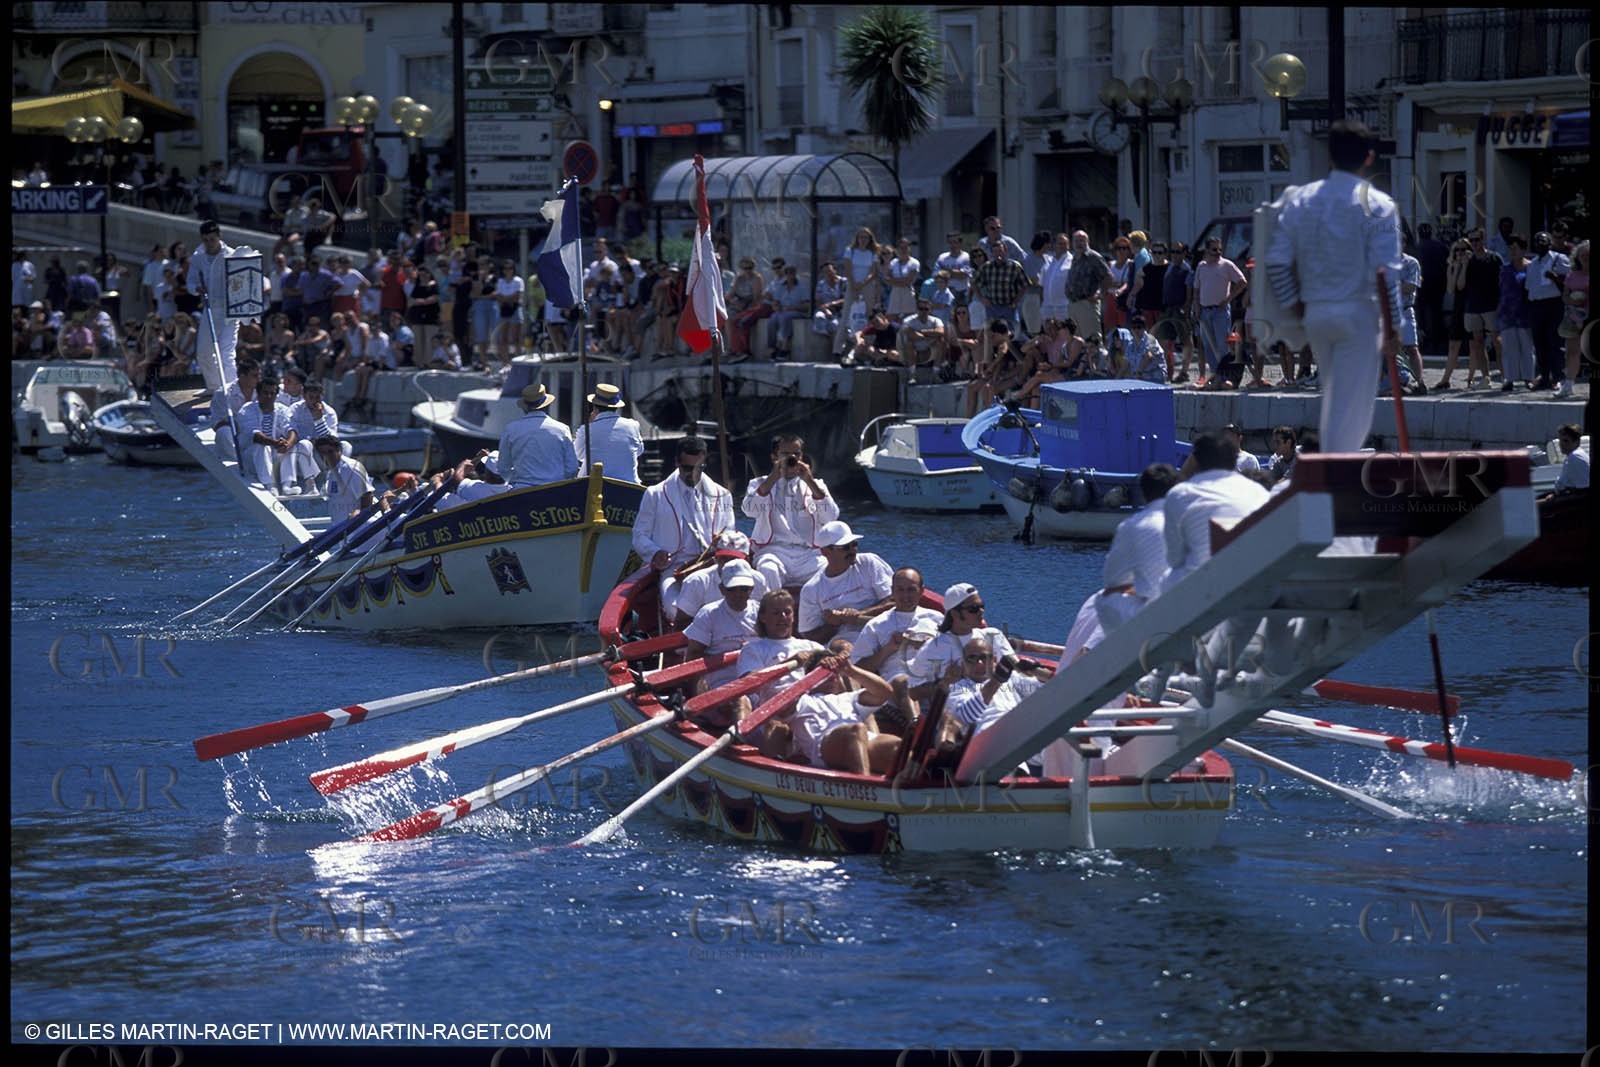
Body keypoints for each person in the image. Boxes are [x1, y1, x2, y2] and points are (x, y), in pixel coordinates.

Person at [1264, 120, 1403, 451]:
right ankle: (1336, 472)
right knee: (1353, 411)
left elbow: (1276, 262)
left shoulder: (1302, 200)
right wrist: (1395, 325)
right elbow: (1387, 273)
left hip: (1316, 313)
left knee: (1334, 399)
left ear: (1329, 155)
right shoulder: (1379, 204)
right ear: (1369, 158)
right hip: (1359, 313)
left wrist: (1297, 305)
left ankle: (1330, 465)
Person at [633, 435, 735, 614]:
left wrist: (722, 542)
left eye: (699, 468)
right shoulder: (655, 494)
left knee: (726, 607)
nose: (693, 473)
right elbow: (639, 535)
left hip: (712, 567)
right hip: (674, 571)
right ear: (677, 463)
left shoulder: (722, 495)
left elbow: (731, 536)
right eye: (687, 468)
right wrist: (656, 553)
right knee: (675, 610)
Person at [1162, 430, 1269, 589]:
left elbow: (1174, 558)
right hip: (1254, 582)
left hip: (1203, 586)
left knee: (1165, 579)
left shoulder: (1180, 495)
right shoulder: (1259, 492)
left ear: (1196, 461)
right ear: (1235, 459)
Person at [769, 651, 901, 773]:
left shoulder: (848, 698)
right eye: (826, 672)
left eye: (834, 672)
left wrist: (850, 670)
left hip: (863, 739)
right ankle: (863, 784)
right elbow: (781, 711)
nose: (832, 676)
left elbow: (884, 693)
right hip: (824, 746)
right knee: (856, 730)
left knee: (897, 745)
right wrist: (809, 681)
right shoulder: (802, 701)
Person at [907, 582, 1035, 702]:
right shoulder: (933, 648)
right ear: (955, 614)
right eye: (973, 609)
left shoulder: (994, 636)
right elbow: (913, 692)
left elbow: (1017, 673)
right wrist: (946, 682)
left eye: (981, 606)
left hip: (1005, 702)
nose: (981, 611)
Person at [744, 432, 839, 591]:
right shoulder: (758, 483)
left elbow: (831, 517)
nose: (792, 458)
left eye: (796, 454)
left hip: (809, 554)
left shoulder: (817, 485)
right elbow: (749, 511)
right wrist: (773, 477)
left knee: (827, 570)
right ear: (774, 457)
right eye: (786, 454)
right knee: (768, 569)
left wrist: (810, 481)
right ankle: (773, 606)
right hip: (773, 551)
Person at [796, 521, 893, 646]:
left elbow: (894, 600)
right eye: (845, 547)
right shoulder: (812, 589)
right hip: (845, 641)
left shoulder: (869, 562)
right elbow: (810, 635)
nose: (852, 550)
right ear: (825, 552)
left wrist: (861, 614)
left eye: (854, 544)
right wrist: (833, 624)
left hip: (883, 629)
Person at [942, 634, 1045, 741]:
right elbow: (966, 716)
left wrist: (1035, 671)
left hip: (1021, 732)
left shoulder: (1011, 677)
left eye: (984, 658)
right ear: (963, 664)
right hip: (988, 740)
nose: (979, 663)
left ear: (994, 660)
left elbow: (1041, 690)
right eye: (972, 659)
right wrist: (998, 678)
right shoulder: (957, 689)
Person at [851, 567, 944, 682]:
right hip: (899, 680)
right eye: (900, 590)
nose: (905, 595)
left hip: (936, 676)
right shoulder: (876, 625)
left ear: (921, 591)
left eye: (911, 590)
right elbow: (857, 668)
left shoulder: (936, 618)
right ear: (892, 591)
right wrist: (888, 649)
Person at [681, 559, 762, 691]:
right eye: (732, 589)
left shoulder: (761, 612)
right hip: (720, 679)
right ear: (722, 589)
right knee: (740, 700)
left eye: (744, 589)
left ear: (751, 589)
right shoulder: (709, 613)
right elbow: (694, 654)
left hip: (756, 675)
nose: (738, 594)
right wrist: (697, 691)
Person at [673, 529, 771, 627]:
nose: (728, 564)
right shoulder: (697, 581)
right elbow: (682, 623)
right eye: (724, 558)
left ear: (748, 560)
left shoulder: (759, 580)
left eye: (734, 559)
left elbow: (766, 616)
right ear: (715, 558)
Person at [186, 220, 239, 396]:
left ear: (219, 237)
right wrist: (196, 288)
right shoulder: (198, 256)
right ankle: (215, 386)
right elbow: (190, 281)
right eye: (206, 240)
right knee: (203, 352)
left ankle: (232, 391)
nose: (209, 243)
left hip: (229, 311)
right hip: (209, 307)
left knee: (225, 353)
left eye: (212, 239)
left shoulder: (231, 255)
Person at [1189, 237, 1247, 390]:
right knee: (1208, 346)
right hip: (1205, 310)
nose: (1218, 252)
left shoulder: (1227, 265)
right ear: (1207, 250)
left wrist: (1228, 299)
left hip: (1220, 311)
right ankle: (1215, 375)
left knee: (1223, 345)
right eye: (1214, 249)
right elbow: (1196, 289)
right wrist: (1196, 309)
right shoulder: (1201, 266)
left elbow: (1242, 282)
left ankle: (1227, 376)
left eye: (1220, 249)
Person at [496, 383, 578, 489]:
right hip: (554, 489)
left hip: (522, 490)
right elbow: (572, 468)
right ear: (547, 405)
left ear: (525, 407)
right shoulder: (562, 429)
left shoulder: (511, 429)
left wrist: (516, 480)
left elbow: (503, 467)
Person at [1523, 231, 1571, 395]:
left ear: (1550, 244)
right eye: (1537, 242)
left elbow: (1569, 281)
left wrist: (1555, 277)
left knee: (1554, 342)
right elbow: (1529, 288)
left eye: (1543, 241)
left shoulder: (1559, 258)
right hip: (1537, 305)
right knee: (1540, 343)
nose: (1540, 244)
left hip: (1553, 304)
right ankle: (1543, 377)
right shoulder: (1532, 264)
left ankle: (1558, 377)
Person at [234, 378, 299, 492]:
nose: (269, 396)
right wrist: (276, 443)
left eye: (272, 393)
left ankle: (287, 486)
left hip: (274, 454)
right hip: (251, 457)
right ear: (258, 393)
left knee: (291, 446)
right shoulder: (247, 409)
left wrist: (287, 444)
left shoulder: (282, 409)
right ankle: (270, 485)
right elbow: (256, 436)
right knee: (261, 446)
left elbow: (292, 430)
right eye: (265, 393)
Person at [574, 382, 645, 482]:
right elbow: (639, 451)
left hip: (593, 483)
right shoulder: (633, 425)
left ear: (595, 407)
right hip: (628, 483)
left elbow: (579, 455)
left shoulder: (586, 429)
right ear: (616, 407)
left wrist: (592, 424)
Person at [1496, 234, 1536, 394]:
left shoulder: (1531, 267)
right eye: (1510, 248)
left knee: (1527, 347)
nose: (1512, 251)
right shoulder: (1505, 269)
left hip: (1526, 312)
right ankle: (1510, 378)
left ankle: (1528, 378)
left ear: (1523, 250)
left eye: (1516, 248)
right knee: (1509, 348)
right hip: (1507, 313)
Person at [973, 239, 1028, 334]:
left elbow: (1024, 285)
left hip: (1009, 307)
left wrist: (1015, 301)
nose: (998, 254)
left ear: (1005, 251)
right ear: (992, 253)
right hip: (992, 307)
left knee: (1012, 333)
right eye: (995, 252)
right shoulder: (986, 267)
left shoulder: (1014, 266)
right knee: (993, 333)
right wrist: (981, 298)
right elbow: (974, 283)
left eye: (1000, 251)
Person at [1064, 231, 1113, 338]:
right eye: (1076, 241)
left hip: (1087, 304)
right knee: (1075, 340)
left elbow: (1108, 277)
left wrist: (1100, 294)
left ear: (1088, 241)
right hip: (1073, 304)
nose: (1079, 243)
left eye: (1082, 240)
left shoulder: (1093, 257)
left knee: (1092, 339)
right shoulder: (1074, 258)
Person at [315, 436, 375, 518]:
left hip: (356, 524)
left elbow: (367, 495)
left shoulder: (350, 468)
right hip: (342, 524)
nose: (326, 456)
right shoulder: (332, 472)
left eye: (330, 452)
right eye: (323, 453)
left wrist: (359, 517)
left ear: (339, 450)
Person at [894, 299, 948, 372]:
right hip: (911, 353)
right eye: (921, 309)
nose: (923, 311)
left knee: (941, 341)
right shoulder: (908, 320)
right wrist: (930, 336)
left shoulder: (936, 320)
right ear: (917, 310)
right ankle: (912, 372)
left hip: (929, 352)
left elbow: (941, 332)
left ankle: (936, 371)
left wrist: (920, 331)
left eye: (926, 309)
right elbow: (911, 335)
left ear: (930, 310)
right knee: (909, 342)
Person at [1543, 423, 1588, 498]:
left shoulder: (1575, 457)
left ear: (1576, 442)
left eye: (1566, 441)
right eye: (1560, 440)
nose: (1561, 444)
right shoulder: (1574, 456)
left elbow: (1584, 490)